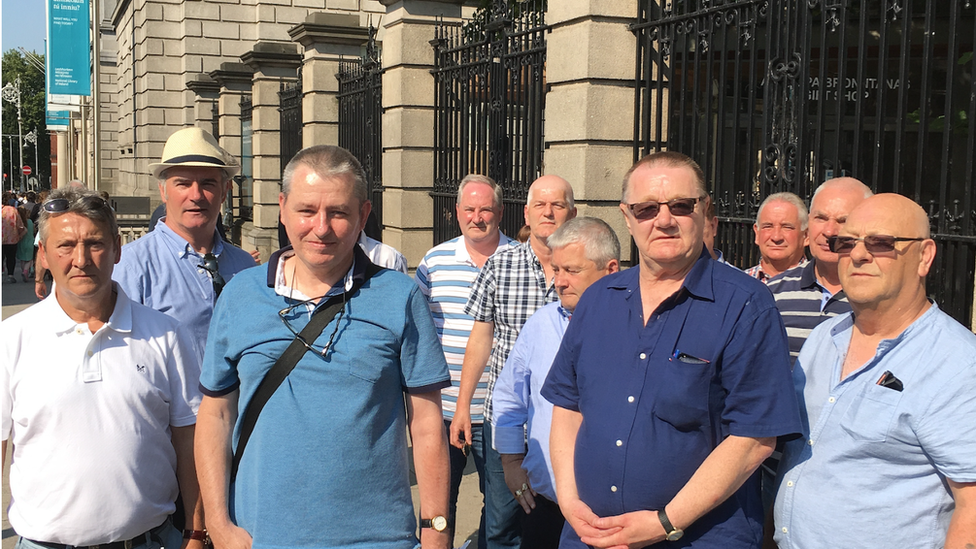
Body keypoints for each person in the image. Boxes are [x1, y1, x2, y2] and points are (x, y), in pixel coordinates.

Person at [195, 145, 452, 549]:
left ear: (363, 215)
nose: (321, 227)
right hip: (261, 536)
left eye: (338, 212)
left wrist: (436, 530)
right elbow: (216, 415)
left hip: (379, 538)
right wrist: (218, 524)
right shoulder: (240, 294)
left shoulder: (400, 296)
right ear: (282, 208)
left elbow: (426, 424)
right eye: (306, 210)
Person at [542, 151, 802, 548]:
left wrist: (666, 522)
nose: (663, 220)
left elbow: (753, 439)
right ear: (627, 217)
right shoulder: (597, 301)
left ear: (705, 211)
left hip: (697, 537)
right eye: (646, 209)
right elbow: (567, 406)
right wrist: (568, 498)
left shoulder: (747, 305)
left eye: (680, 205)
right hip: (588, 533)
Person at [2, 188, 204, 549]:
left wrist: (197, 529)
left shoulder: (165, 334)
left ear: (117, 249)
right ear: (44, 254)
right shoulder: (12, 338)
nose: (80, 259)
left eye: (94, 244)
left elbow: (188, 439)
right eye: (65, 245)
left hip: (150, 541)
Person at [773, 194, 976, 548]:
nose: (859, 254)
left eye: (881, 243)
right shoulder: (825, 337)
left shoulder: (956, 363)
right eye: (847, 243)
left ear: (924, 256)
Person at [452, 174, 577, 549]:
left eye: (557, 204)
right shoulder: (500, 264)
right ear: (526, 212)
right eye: (540, 204)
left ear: (573, 211)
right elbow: (481, 339)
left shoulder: (587, 270)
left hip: (567, 424)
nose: (548, 212)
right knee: (502, 523)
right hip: (509, 423)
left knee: (561, 521)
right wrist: (462, 406)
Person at [491, 217, 620, 549]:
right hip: (544, 504)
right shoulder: (541, 323)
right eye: (556, 269)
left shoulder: (637, 329)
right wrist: (511, 463)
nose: (559, 282)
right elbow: (509, 396)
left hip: (610, 515)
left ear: (611, 270)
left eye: (572, 271)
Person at [415, 174, 515, 543]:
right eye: (469, 209)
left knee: (503, 510)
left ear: (500, 212)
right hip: (442, 409)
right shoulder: (434, 261)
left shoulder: (518, 261)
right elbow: (418, 332)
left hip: (500, 412)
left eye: (485, 209)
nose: (477, 217)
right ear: (456, 212)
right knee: (440, 504)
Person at [113, 127, 256, 365]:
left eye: (208, 183)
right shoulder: (131, 266)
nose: (196, 195)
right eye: (183, 183)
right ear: (163, 191)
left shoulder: (244, 265)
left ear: (224, 192)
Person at [766, 178, 872, 364]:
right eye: (821, 218)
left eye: (843, 220)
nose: (829, 231)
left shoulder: (876, 299)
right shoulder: (773, 293)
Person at [744, 192, 809, 283]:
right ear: (757, 233)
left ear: (806, 236)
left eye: (787, 227)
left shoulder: (821, 286)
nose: (776, 237)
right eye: (768, 227)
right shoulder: (739, 285)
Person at [2, 191, 27, 283]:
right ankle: (10, 275)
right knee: (11, 257)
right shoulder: (13, 210)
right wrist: (20, 233)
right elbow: (20, 225)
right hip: (11, 238)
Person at [16, 206, 35, 282]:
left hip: (21, 242)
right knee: (29, 259)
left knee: (22, 259)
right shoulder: (30, 221)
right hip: (30, 242)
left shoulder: (18, 223)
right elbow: (33, 230)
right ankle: (26, 271)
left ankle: (23, 271)